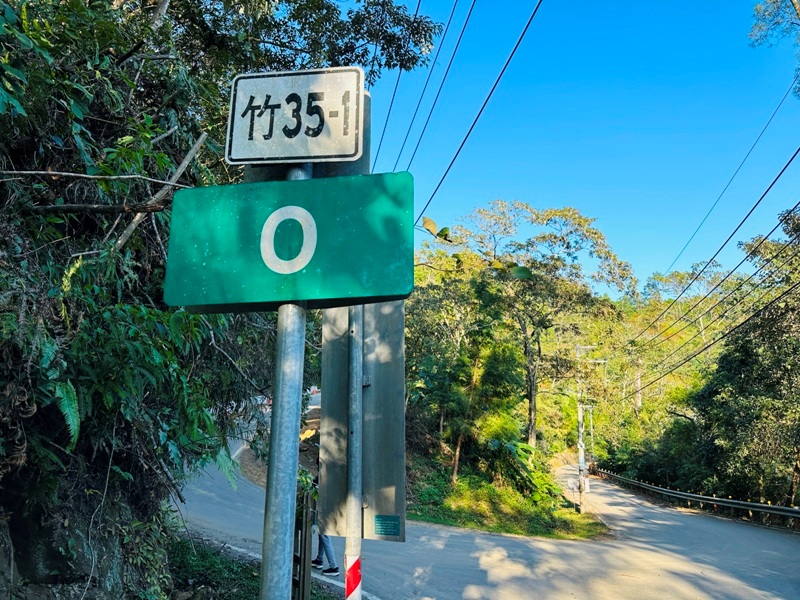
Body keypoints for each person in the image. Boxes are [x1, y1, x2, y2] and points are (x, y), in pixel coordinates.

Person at [312, 475, 339, 577]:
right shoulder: (334, 474)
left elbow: (314, 486)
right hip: (331, 509)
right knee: (322, 535)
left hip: (326, 510)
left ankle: (333, 567)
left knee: (325, 536)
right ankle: (319, 559)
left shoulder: (325, 477)